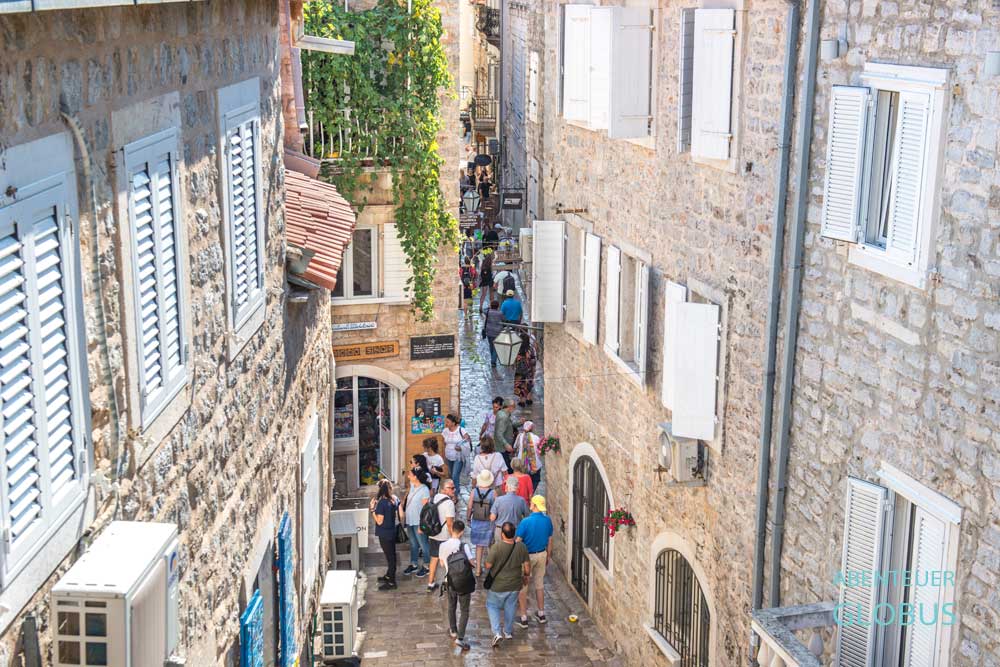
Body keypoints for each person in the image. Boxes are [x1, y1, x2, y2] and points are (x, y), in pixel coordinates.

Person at [484, 522, 530, 647]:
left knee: (492, 605)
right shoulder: (521, 547)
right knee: (511, 606)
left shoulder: (496, 547)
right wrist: (526, 576)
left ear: (502, 534)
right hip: (515, 584)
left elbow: (488, 565)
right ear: (514, 534)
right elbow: (527, 566)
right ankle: (508, 632)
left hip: (497, 585)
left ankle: (497, 632)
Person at [515, 496, 554, 627]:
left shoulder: (526, 522)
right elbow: (550, 540)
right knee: (539, 584)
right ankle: (541, 614)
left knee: (524, 585)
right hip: (542, 554)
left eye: (531, 503)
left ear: (535, 505)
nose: (530, 504)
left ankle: (524, 617)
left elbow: (518, 540)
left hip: (527, 557)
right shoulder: (547, 520)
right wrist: (548, 556)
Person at [439, 519, 475, 651]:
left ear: (451, 530)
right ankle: (460, 637)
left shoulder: (443, 545)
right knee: (464, 610)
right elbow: (471, 562)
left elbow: (441, 564)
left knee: (451, 606)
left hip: (450, 581)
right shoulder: (464, 546)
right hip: (464, 582)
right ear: (462, 532)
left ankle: (453, 630)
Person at [427, 479, 457, 593]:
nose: (454, 490)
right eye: (451, 488)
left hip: (433, 534)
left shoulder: (434, 498)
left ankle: (430, 584)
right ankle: (448, 582)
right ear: (443, 489)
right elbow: (450, 524)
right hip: (444, 536)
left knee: (434, 559)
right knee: (448, 560)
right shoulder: (449, 503)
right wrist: (454, 538)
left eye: (454, 488)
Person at [400, 467, 431, 577]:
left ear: (416, 477)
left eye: (410, 474)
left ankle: (427, 565)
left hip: (419, 522)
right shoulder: (412, 485)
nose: (408, 476)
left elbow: (425, 509)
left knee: (423, 544)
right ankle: (414, 564)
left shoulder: (424, 490)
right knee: (413, 544)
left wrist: (422, 525)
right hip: (410, 520)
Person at [371, 479, 399, 590]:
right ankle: (388, 575)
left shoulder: (382, 503)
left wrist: (372, 510)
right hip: (392, 531)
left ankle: (391, 582)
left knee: (390, 558)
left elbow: (379, 521)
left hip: (384, 534)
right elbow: (400, 514)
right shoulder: (394, 499)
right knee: (391, 556)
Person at [467, 470, 496, 576]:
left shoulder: (474, 491)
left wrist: (468, 518)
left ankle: (478, 569)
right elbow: (496, 508)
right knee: (490, 546)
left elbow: (469, 506)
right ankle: (491, 568)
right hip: (488, 523)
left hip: (476, 521)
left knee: (479, 547)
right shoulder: (493, 493)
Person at [490, 476, 528, 543]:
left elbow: (492, 518)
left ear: (507, 487)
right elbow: (527, 517)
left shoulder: (499, 500)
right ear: (517, 488)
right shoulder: (521, 501)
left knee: (500, 548)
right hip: (515, 531)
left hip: (500, 530)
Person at [442, 414, 472, 492]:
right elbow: (444, 444)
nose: (446, 423)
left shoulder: (461, 430)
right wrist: (444, 456)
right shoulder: (445, 431)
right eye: (446, 421)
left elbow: (468, 441)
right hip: (448, 456)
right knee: (451, 475)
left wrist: (461, 448)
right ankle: (453, 491)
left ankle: (456, 493)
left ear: (453, 423)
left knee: (455, 475)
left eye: (448, 422)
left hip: (458, 457)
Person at [515, 421, 543, 491]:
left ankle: (525, 493)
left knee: (523, 483)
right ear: (532, 428)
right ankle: (531, 493)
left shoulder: (519, 436)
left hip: (522, 465)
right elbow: (540, 449)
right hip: (534, 466)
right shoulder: (536, 437)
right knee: (535, 481)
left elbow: (515, 447)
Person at [513, 333, 537, 406]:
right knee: (528, 385)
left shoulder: (516, 349)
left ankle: (522, 401)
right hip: (528, 371)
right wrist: (533, 372)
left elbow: (514, 360)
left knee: (520, 385)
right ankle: (528, 399)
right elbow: (533, 361)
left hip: (519, 371)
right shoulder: (530, 349)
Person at [494, 399, 516, 472]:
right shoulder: (504, 417)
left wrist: (520, 423)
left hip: (502, 448)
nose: (514, 409)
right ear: (510, 407)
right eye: (514, 407)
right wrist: (506, 444)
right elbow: (499, 433)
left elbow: (509, 425)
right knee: (507, 469)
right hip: (502, 449)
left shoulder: (502, 413)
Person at [483, 301, 504, 367]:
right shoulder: (500, 313)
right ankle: (493, 361)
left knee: (491, 345)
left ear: (491, 306)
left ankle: (493, 358)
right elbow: (504, 319)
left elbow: (483, 310)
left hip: (489, 331)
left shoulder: (488, 312)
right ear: (498, 306)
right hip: (498, 332)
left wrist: (488, 307)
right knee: (496, 347)